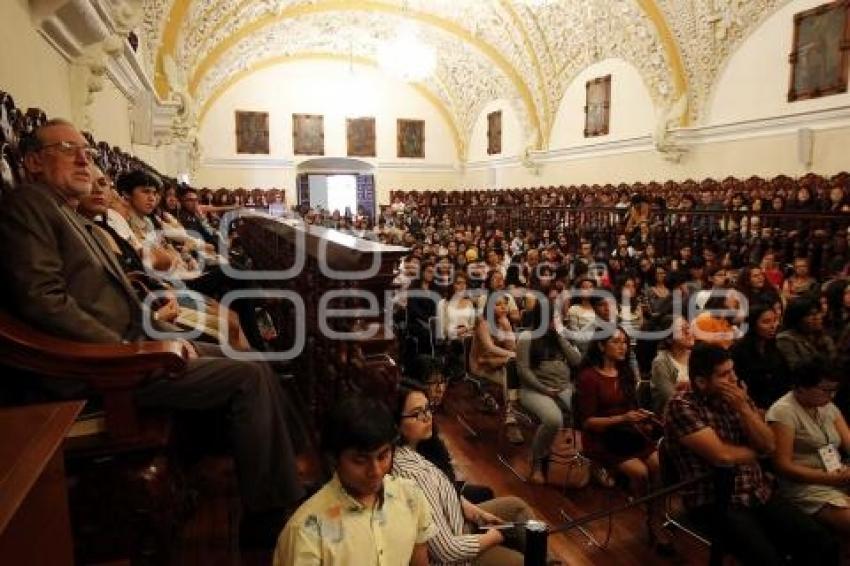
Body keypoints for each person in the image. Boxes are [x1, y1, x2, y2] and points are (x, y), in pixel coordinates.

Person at [0, 119, 304, 546]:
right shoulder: (29, 205)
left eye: (86, 149)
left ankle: (291, 469)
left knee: (252, 360)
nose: (85, 159)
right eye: (68, 148)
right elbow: (43, 301)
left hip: (130, 346)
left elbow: (114, 293)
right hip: (98, 370)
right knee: (248, 376)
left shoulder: (69, 214)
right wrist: (130, 349)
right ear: (32, 161)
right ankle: (268, 516)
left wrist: (157, 328)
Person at [664, 343, 839, 565]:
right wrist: (757, 452)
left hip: (758, 490)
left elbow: (769, 445)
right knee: (768, 560)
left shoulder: (737, 399)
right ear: (701, 382)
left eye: (733, 370)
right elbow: (722, 457)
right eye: (725, 374)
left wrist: (744, 409)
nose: (734, 378)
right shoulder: (681, 406)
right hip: (716, 500)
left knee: (821, 542)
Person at [276, 396, 434, 565]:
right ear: (333, 460)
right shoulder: (306, 531)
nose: (375, 471)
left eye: (383, 456)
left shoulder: (410, 497)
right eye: (360, 461)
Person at [391, 386, 538, 566]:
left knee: (516, 507)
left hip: (460, 526)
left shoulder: (422, 448)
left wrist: (476, 513)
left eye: (427, 409)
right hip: (456, 555)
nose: (427, 417)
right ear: (396, 422)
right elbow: (446, 551)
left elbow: (445, 491)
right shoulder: (412, 473)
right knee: (521, 561)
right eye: (417, 414)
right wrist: (494, 537)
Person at [576, 328, 670, 549]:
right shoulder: (588, 377)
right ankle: (654, 518)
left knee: (660, 464)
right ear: (601, 346)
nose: (623, 346)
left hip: (627, 433)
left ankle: (654, 516)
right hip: (601, 438)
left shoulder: (625, 372)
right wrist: (624, 418)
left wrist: (641, 417)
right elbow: (588, 423)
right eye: (616, 342)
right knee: (642, 472)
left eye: (625, 342)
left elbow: (631, 408)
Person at [766, 358, 850, 538]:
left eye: (834, 390)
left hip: (837, 474)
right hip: (805, 486)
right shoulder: (783, 412)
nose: (832, 395)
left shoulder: (826, 405)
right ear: (800, 388)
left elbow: (848, 442)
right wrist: (828, 479)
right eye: (825, 390)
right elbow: (783, 466)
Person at [516, 297, 582, 484]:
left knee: (584, 412)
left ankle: (573, 458)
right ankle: (537, 463)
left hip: (563, 386)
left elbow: (577, 361)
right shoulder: (527, 337)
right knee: (554, 419)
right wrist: (544, 389)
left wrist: (559, 337)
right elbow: (523, 371)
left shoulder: (559, 337)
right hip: (534, 389)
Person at [731, 304, 790, 411]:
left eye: (775, 320)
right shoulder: (738, 351)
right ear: (753, 325)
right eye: (766, 322)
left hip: (781, 403)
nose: (773, 326)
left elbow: (785, 377)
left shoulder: (774, 347)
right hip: (756, 406)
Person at [649, 315, 694, 414]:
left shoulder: (697, 355)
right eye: (681, 330)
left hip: (696, 409)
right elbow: (671, 398)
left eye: (687, 327)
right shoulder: (661, 362)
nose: (688, 332)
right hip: (673, 414)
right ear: (669, 339)